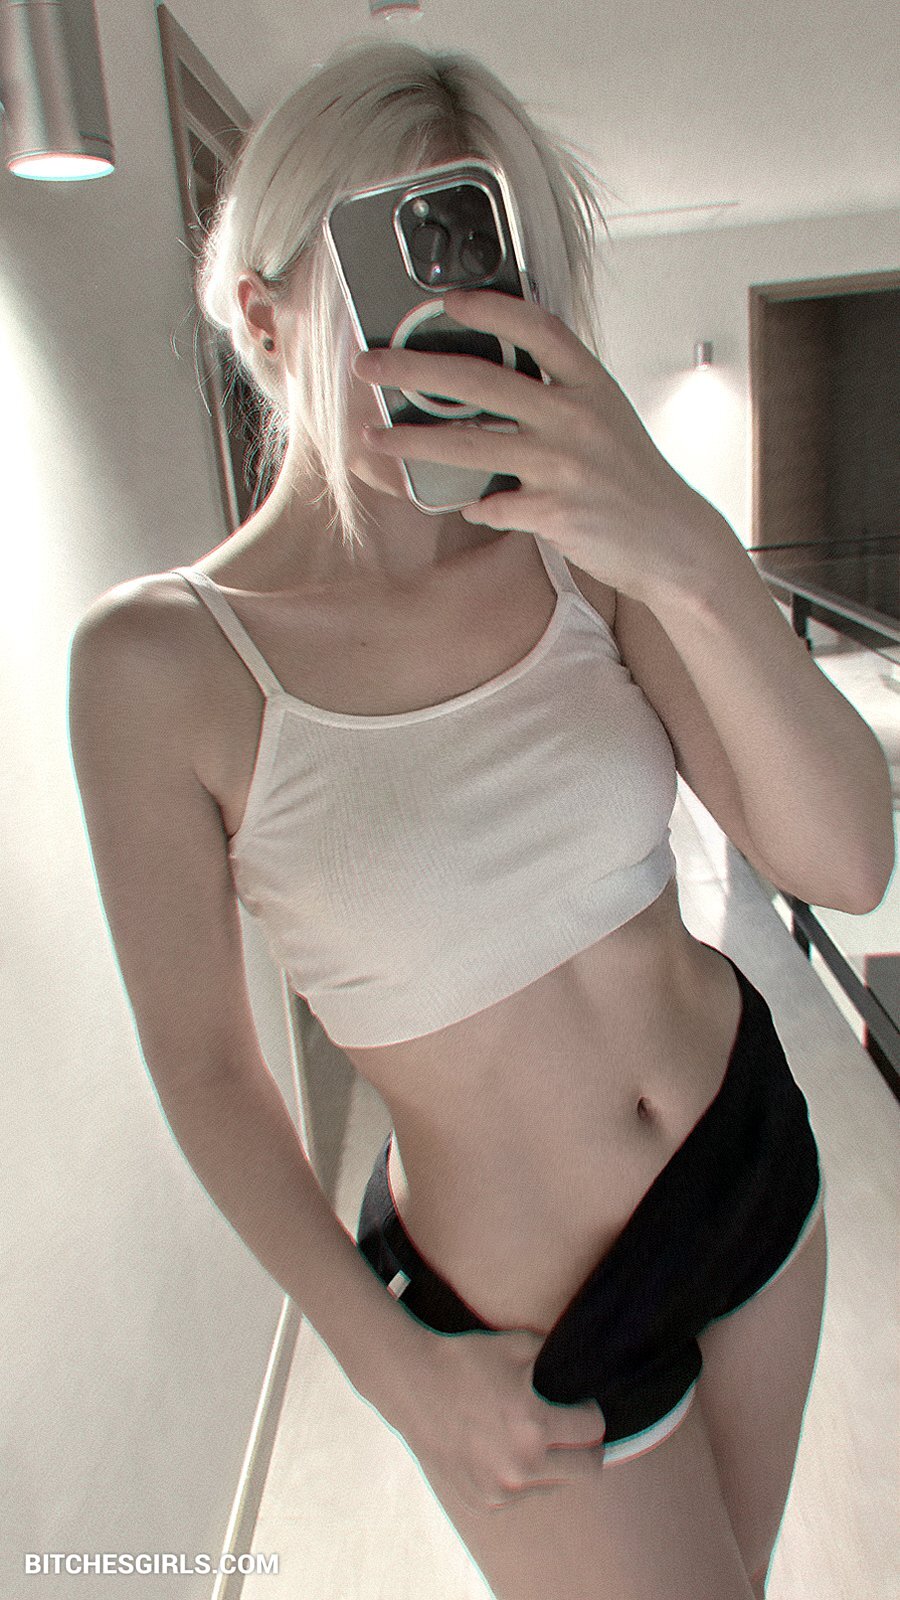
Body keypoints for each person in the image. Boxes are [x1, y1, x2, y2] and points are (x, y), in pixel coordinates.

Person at [67, 37, 894, 1600]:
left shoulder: (581, 553)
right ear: (265, 313)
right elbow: (204, 1066)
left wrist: (683, 543)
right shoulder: (162, 665)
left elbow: (848, 859)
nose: (452, 340)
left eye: (489, 276)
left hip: (751, 1166)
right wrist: (394, 1369)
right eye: (397, 286)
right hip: (530, 1324)